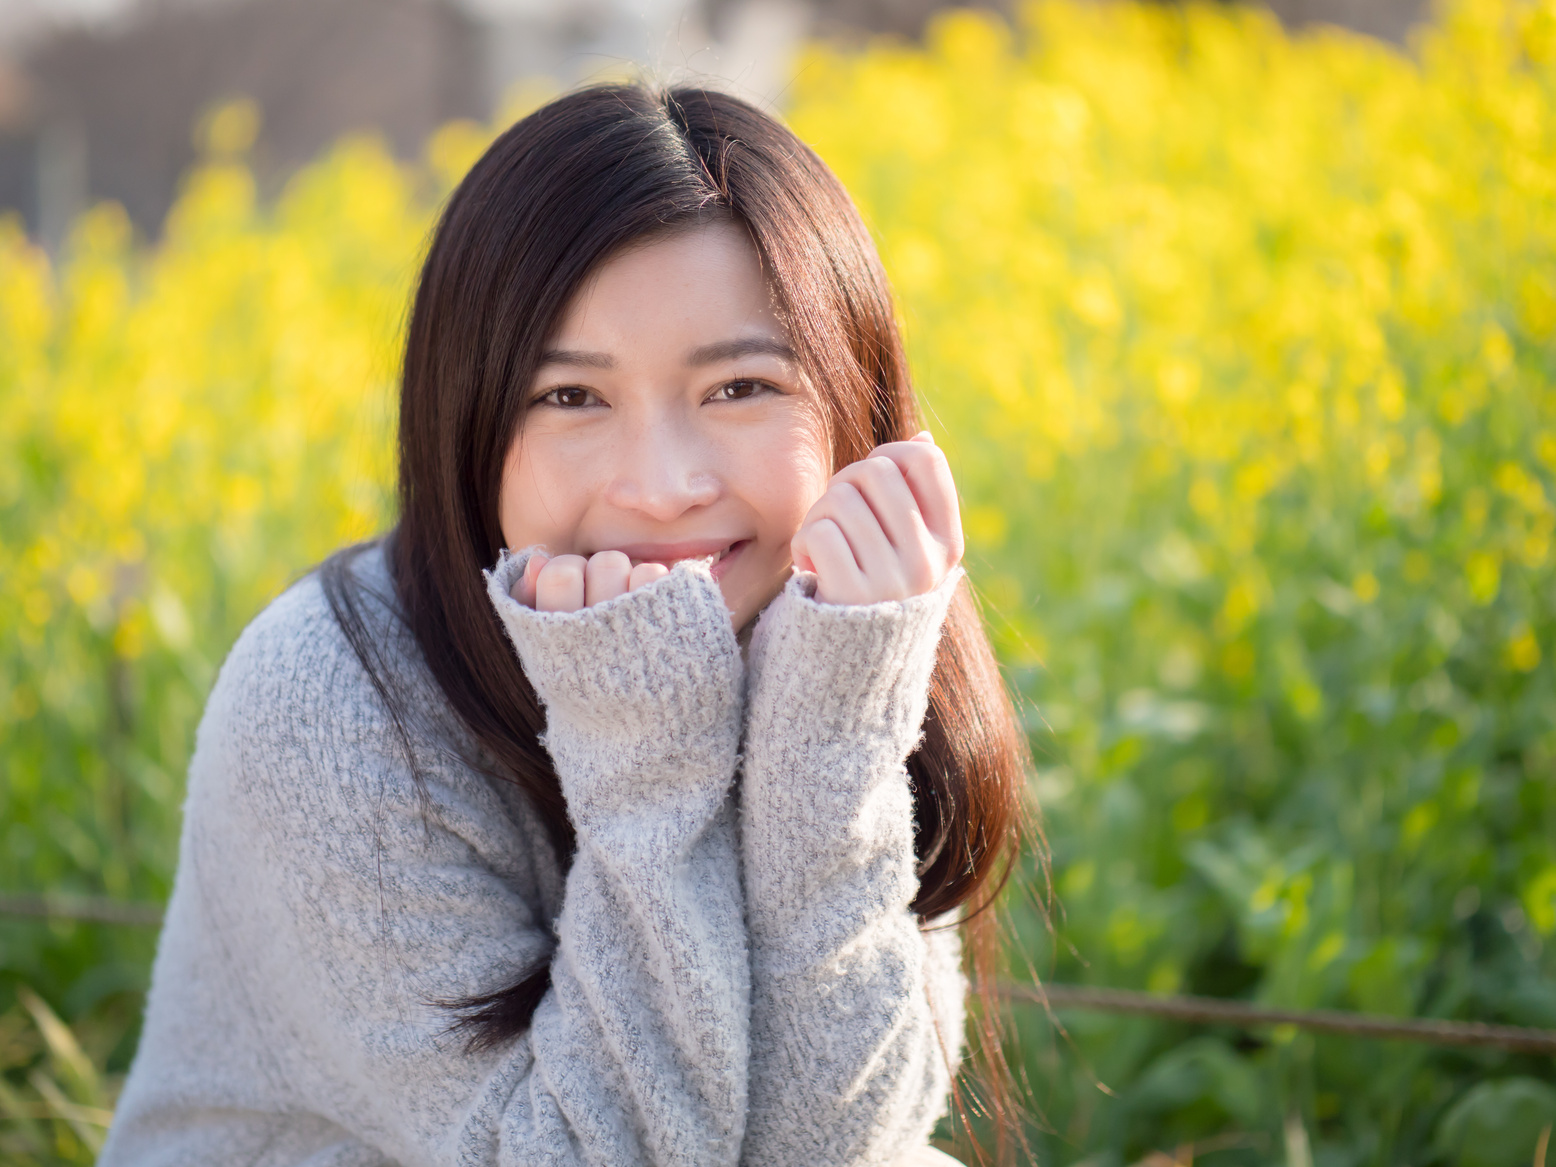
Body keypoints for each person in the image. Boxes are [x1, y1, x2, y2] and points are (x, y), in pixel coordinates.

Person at [100, 84, 1027, 1167]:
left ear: (851, 409)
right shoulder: (331, 700)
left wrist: (832, 738)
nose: (660, 485)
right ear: (468, 425)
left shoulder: (836, 631)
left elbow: (835, 1143)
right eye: (571, 400)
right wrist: (643, 756)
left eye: (737, 387)